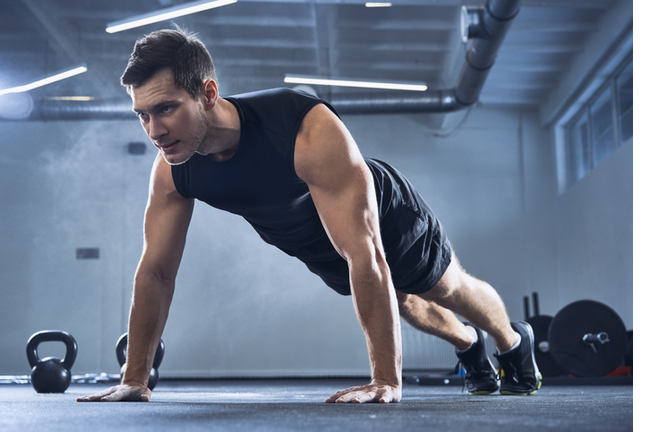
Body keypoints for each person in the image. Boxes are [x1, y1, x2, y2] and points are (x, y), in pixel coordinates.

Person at [77, 27, 540, 404]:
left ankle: (512, 342)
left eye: (166, 109)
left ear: (208, 92)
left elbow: (366, 252)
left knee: (442, 287)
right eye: (142, 115)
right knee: (404, 303)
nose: (154, 131)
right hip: (312, 239)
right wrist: (135, 377)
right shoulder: (173, 170)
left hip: (381, 214)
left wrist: (385, 381)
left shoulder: (301, 126)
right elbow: (156, 271)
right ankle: (467, 345)